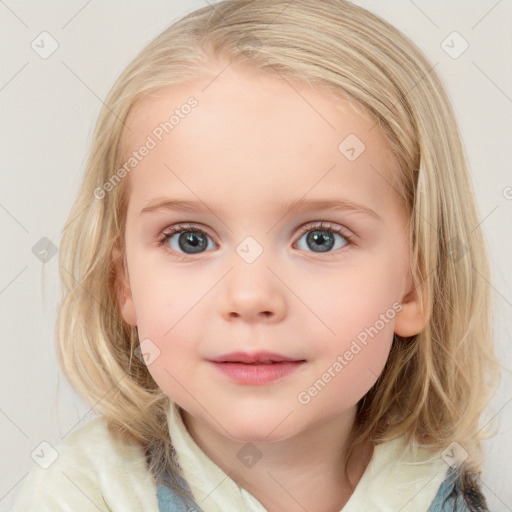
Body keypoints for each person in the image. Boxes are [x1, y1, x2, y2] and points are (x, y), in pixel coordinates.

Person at [12, 0, 502, 510]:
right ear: (125, 284)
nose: (249, 297)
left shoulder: (444, 488)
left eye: (320, 239)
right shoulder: (80, 495)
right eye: (190, 240)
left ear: (413, 284)